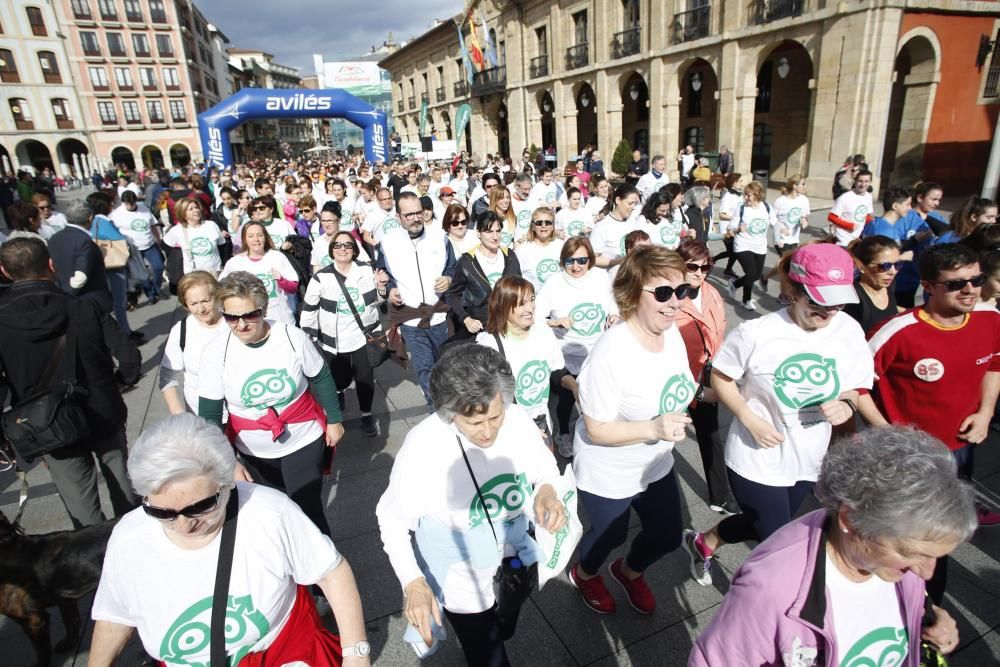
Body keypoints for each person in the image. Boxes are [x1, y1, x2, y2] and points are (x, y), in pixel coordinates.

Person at [89, 414, 370, 667]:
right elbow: (116, 613)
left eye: (200, 507)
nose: (184, 523)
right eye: (162, 512)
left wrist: (356, 654)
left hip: (280, 655)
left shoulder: (268, 512)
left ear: (226, 483)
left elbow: (331, 573)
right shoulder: (130, 537)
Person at [691, 426, 972, 666]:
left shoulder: (897, 553)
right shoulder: (771, 590)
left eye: (936, 556)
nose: (925, 574)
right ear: (851, 519)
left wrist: (926, 619)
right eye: (910, 553)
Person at [683, 244, 872, 586]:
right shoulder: (757, 333)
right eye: (818, 302)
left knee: (758, 522)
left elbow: (857, 386)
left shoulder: (847, 330)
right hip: (756, 457)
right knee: (779, 544)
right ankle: (764, 612)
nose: (829, 312)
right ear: (793, 289)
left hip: (808, 457)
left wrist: (846, 405)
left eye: (838, 303)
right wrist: (749, 418)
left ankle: (704, 541)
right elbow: (720, 377)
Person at [375, 345, 565, 667]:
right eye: (474, 422)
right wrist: (414, 582)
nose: (488, 431)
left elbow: (544, 466)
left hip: (513, 556)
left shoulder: (516, 418)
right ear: (449, 411)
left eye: (495, 416)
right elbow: (391, 520)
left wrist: (546, 490)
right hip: (461, 576)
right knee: (487, 654)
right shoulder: (424, 447)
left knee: (505, 621)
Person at [567, 245, 695, 615]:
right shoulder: (611, 353)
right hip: (609, 468)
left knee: (669, 535)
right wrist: (653, 426)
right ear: (631, 293)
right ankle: (586, 573)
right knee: (611, 535)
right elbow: (597, 429)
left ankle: (628, 571)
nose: (675, 303)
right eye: (664, 293)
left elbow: (678, 384)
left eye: (682, 291)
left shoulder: (670, 333)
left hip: (654, 461)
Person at [867, 243, 1000, 578]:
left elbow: (993, 368)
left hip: (960, 446)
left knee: (938, 533)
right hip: (907, 455)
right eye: (955, 284)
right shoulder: (895, 332)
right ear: (927, 287)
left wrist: (985, 413)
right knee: (900, 532)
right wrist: (884, 429)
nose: (969, 289)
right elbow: (854, 386)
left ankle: (927, 598)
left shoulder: (991, 320)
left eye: (976, 279)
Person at [0, 237, 138, 527]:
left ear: (5, 271)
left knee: (81, 506)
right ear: (51, 266)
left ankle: (96, 562)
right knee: (125, 491)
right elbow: (128, 357)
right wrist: (117, 383)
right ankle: (134, 546)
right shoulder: (84, 306)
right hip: (102, 410)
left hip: (47, 421)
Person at [197, 272, 345, 542]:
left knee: (306, 508)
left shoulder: (291, 336)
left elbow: (320, 375)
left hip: (302, 436)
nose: (241, 325)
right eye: (231, 317)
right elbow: (209, 415)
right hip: (252, 448)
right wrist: (226, 462)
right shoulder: (216, 352)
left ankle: (323, 573)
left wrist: (334, 418)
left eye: (250, 315)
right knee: (271, 513)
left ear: (263, 309)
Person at [535, 237, 618, 461]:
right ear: (563, 261)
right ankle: (564, 433)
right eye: (570, 261)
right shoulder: (554, 282)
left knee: (600, 399)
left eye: (582, 260)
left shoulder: (601, 278)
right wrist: (554, 322)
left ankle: (604, 433)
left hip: (596, 353)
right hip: (565, 354)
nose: (576, 267)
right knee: (566, 401)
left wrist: (613, 313)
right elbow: (535, 317)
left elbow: (613, 300)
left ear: (590, 260)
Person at [301, 231, 384, 438]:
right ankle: (338, 394)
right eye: (338, 245)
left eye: (348, 245)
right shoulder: (322, 277)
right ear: (331, 251)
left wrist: (382, 287)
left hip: (363, 337)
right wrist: (308, 339)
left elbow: (379, 301)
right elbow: (309, 310)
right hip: (333, 341)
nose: (343, 249)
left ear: (354, 250)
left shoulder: (366, 270)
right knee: (339, 379)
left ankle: (366, 414)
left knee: (365, 379)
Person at [378, 192, 456, 409]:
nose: (415, 218)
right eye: (409, 214)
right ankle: (436, 414)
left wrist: (449, 279)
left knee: (445, 369)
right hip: (411, 320)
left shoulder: (440, 238)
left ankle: (450, 410)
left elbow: (452, 267)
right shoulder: (388, 243)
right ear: (398, 217)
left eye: (418, 212)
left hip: (439, 316)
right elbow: (383, 273)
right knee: (425, 370)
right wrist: (389, 289)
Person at [675, 239, 736, 515]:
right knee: (661, 437)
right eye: (692, 266)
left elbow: (720, 331)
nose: (700, 272)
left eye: (706, 266)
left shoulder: (711, 292)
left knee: (710, 435)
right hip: (674, 379)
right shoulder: (669, 296)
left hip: (706, 373)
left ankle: (720, 496)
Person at [477, 276, 573, 451]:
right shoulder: (489, 345)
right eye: (521, 304)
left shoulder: (543, 332)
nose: (530, 309)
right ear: (503, 306)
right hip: (508, 431)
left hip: (543, 423)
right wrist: (522, 430)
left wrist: (576, 387)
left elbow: (558, 372)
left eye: (532, 300)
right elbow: (484, 402)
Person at [159, 271, 228, 415]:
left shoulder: (233, 321)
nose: (201, 309)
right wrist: (178, 412)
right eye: (193, 304)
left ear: (217, 296)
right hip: (200, 413)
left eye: (205, 301)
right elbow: (167, 375)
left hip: (241, 414)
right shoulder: (181, 330)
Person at [446, 211, 521, 342]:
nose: (495, 236)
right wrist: (466, 319)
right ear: (478, 233)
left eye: (498, 231)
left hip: (510, 325)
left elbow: (520, 289)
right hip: (483, 330)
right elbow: (452, 295)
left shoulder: (510, 256)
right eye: (489, 232)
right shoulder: (467, 261)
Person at [220, 222, 299, 325]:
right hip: (249, 323)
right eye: (251, 236)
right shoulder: (235, 263)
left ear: (265, 237)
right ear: (244, 239)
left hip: (281, 320)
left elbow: (293, 288)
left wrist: (281, 280)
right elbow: (221, 290)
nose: (256, 239)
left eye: (260, 235)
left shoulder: (277, 257)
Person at [87, 193, 142, 341]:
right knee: (119, 301)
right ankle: (125, 333)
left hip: (110, 265)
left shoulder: (96, 221)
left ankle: (126, 330)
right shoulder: (103, 222)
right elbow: (119, 240)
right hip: (114, 266)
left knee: (119, 301)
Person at [726, 180, 774, 311]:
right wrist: (738, 228)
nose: (745, 197)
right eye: (745, 194)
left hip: (760, 246)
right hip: (743, 244)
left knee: (756, 275)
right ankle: (745, 300)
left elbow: (776, 223)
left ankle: (734, 285)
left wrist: (782, 231)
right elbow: (730, 226)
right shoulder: (741, 208)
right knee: (751, 273)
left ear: (758, 195)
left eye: (749, 195)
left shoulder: (767, 208)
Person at [110, 190, 164, 305]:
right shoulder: (117, 214)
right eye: (127, 204)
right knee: (142, 275)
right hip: (133, 248)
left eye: (132, 203)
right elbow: (113, 230)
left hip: (149, 244)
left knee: (158, 267)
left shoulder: (143, 208)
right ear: (123, 203)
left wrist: (158, 239)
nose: (130, 206)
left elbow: (152, 224)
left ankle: (155, 288)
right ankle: (151, 294)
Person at [844, 235, 902, 335]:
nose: (893, 272)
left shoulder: (889, 285)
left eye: (898, 264)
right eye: (884, 266)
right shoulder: (853, 300)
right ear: (860, 266)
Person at [164, 197, 225, 276]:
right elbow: (165, 246)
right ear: (183, 214)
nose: (195, 210)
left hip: (215, 272)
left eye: (196, 207)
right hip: (194, 276)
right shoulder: (177, 230)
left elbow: (222, 245)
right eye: (191, 209)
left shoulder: (211, 225)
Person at [590, 184, 640, 268]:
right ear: (618, 200)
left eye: (635, 204)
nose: (633, 207)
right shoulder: (602, 227)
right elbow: (592, 258)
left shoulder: (634, 222)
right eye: (630, 203)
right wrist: (615, 262)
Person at [515, 207, 565, 291]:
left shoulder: (561, 245)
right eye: (539, 223)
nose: (543, 226)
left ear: (552, 226)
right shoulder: (522, 250)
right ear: (533, 227)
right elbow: (516, 281)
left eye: (548, 222)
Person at [828, 168, 873, 247]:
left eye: (866, 181)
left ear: (870, 182)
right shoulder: (845, 198)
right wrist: (849, 226)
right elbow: (831, 217)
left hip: (857, 240)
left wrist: (871, 222)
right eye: (860, 181)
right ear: (855, 181)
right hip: (843, 241)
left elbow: (867, 215)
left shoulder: (868, 197)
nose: (863, 184)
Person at [771, 174, 810, 257]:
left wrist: (804, 221)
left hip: (794, 238)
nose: (805, 186)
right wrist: (781, 229)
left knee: (788, 265)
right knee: (787, 263)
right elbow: (771, 218)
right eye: (802, 184)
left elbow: (804, 217)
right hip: (781, 238)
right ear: (794, 186)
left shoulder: (804, 200)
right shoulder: (780, 201)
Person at [713, 173, 743, 276]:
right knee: (733, 251)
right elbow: (722, 214)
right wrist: (737, 218)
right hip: (726, 228)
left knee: (734, 251)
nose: (741, 183)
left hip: (736, 227)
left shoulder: (740, 195)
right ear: (733, 183)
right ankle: (713, 259)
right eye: (739, 181)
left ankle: (728, 269)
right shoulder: (728, 196)